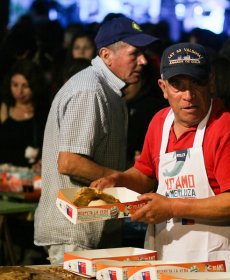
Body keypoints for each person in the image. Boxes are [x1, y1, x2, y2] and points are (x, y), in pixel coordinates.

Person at [90, 42, 230, 273]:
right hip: (167, 255)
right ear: (163, 87)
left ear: (211, 82)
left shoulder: (228, 130)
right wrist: (118, 180)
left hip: (214, 262)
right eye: (177, 86)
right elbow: (145, 174)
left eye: (196, 83)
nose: (188, 96)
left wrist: (171, 207)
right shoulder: (160, 122)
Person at [33, 16, 159, 264]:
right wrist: (122, 182)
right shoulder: (90, 91)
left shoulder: (109, 90)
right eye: (135, 54)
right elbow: (69, 162)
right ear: (106, 55)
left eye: (144, 53)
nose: (143, 61)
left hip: (94, 226)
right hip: (76, 231)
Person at [0, 58, 49, 169]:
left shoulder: (43, 112)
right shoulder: (4, 108)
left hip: (30, 175)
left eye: (25, 86)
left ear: (34, 86)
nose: (19, 92)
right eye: (15, 85)